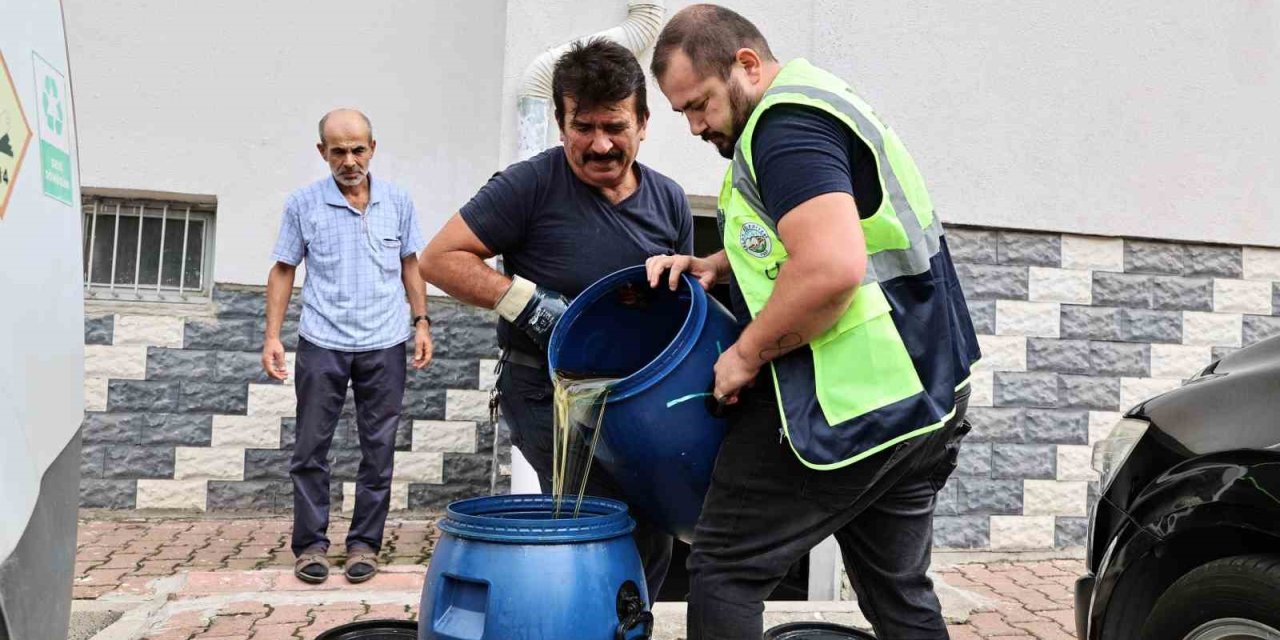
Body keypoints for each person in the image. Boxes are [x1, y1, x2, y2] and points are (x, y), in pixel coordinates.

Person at [645, 5, 983, 638]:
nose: (693, 126)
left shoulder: (784, 129)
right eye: (682, 113)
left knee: (724, 568)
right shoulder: (821, 97)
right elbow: (818, 231)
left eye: (700, 104)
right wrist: (719, 264)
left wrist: (744, 355)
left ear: (746, 64)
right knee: (898, 593)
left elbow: (829, 268)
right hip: (925, 392)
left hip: (852, 402)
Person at [419, 39, 691, 599]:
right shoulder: (529, 185)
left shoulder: (669, 200)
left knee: (654, 531)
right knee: (590, 523)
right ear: (561, 122)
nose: (600, 144)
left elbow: (685, 304)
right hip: (549, 392)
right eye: (582, 127)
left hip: (636, 394)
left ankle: (623, 628)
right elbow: (439, 259)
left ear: (643, 122)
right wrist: (534, 308)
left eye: (615, 126)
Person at [263, 108, 433, 584]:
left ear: (372, 149)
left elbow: (411, 265)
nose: (349, 160)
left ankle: (364, 544)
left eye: (358, 149)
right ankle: (310, 546)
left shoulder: (398, 201)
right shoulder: (303, 204)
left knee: (378, 449)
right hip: (322, 342)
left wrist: (421, 322)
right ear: (323, 153)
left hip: (385, 343)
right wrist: (272, 335)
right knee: (310, 449)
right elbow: (283, 269)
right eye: (338, 151)